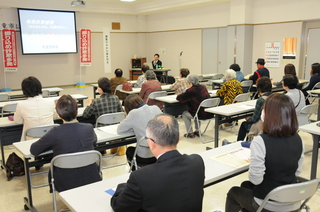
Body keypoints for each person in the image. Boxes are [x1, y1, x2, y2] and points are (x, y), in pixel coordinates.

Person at [226, 93, 304, 212]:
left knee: (233, 193)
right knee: (244, 186)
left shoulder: (261, 141)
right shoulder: (299, 139)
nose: (262, 112)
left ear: (270, 115)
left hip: (268, 203)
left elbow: (256, 179)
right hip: (292, 200)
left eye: (264, 109)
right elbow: (297, 170)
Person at [111, 114, 205, 212]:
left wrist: (121, 188)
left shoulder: (141, 177)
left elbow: (119, 207)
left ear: (151, 143)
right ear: (179, 138)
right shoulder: (197, 162)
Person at [30, 95, 101, 192]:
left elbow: (34, 150)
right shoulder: (88, 128)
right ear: (77, 112)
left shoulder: (55, 132)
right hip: (91, 176)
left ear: (58, 115)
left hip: (65, 181)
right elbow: (94, 141)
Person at [117, 94, 162, 167]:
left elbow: (120, 130)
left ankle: (136, 173)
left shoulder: (133, 113)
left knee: (129, 150)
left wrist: (134, 128)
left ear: (128, 107)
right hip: (159, 153)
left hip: (144, 157)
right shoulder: (155, 108)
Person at [14, 76, 56, 141]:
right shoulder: (51, 102)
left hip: (31, 139)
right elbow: (54, 116)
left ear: (24, 90)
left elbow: (18, 121)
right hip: (50, 138)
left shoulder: (21, 105)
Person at [177, 74, 213, 138]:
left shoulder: (191, 90)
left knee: (185, 114)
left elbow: (179, 98)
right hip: (208, 113)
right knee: (197, 109)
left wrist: (185, 91)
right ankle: (197, 130)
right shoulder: (203, 87)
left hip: (200, 114)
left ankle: (190, 132)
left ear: (190, 83)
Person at [237, 77, 272, 141]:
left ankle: (239, 143)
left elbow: (255, 119)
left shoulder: (261, 100)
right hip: (271, 123)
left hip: (262, 125)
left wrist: (249, 119)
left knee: (244, 124)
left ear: (258, 88)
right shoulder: (274, 97)